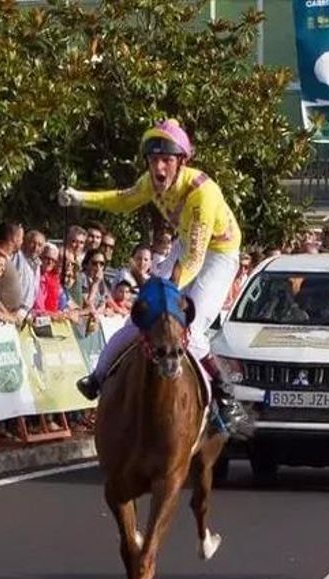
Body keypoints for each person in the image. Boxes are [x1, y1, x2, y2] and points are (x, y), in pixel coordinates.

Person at [57, 119, 248, 434]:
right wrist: (80, 197)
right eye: (153, 160)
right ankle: (99, 377)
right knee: (142, 316)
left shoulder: (202, 193)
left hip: (217, 253)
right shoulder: (150, 181)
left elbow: (196, 258)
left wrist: (169, 290)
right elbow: (122, 199)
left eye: (167, 161)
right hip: (185, 244)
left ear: (181, 162)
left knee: (192, 324)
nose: (158, 168)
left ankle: (227, 398)